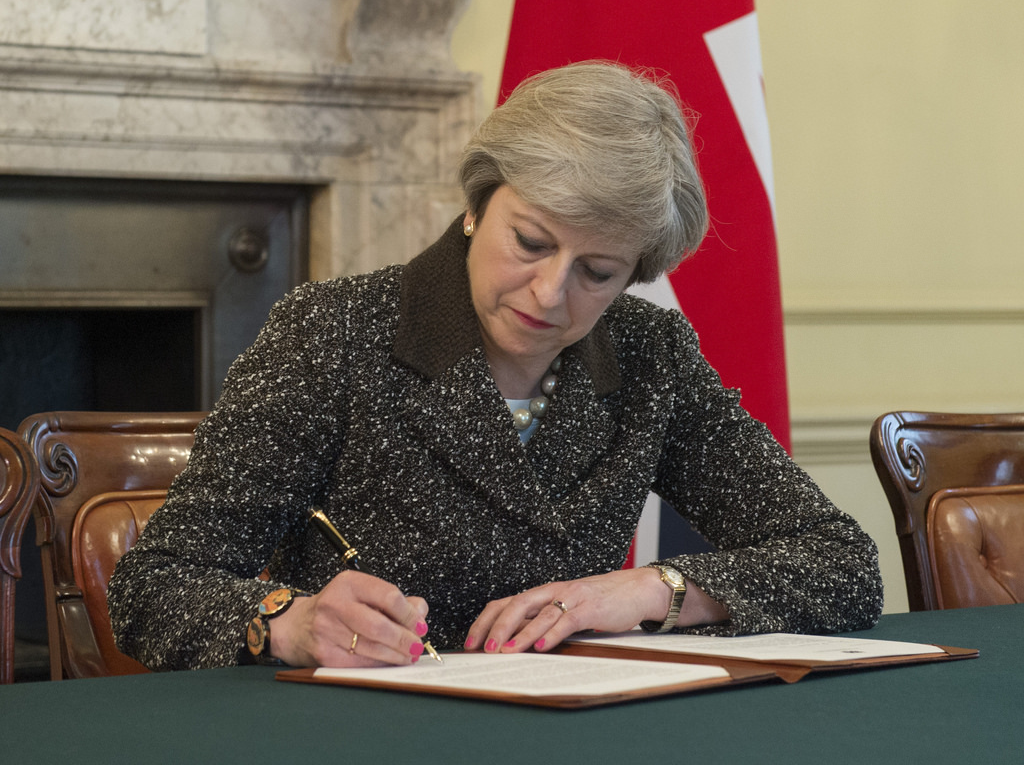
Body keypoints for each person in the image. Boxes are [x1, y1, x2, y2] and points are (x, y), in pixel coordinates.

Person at [108, 61, 883, 671]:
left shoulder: (652, 354)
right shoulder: (332, 331)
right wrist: (293, 621)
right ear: (478, 205)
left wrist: (653, 590)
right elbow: (154, 587)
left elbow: (840, 561)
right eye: (531, 242)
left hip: (577, 727)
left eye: (597, 272)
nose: (549, 292)